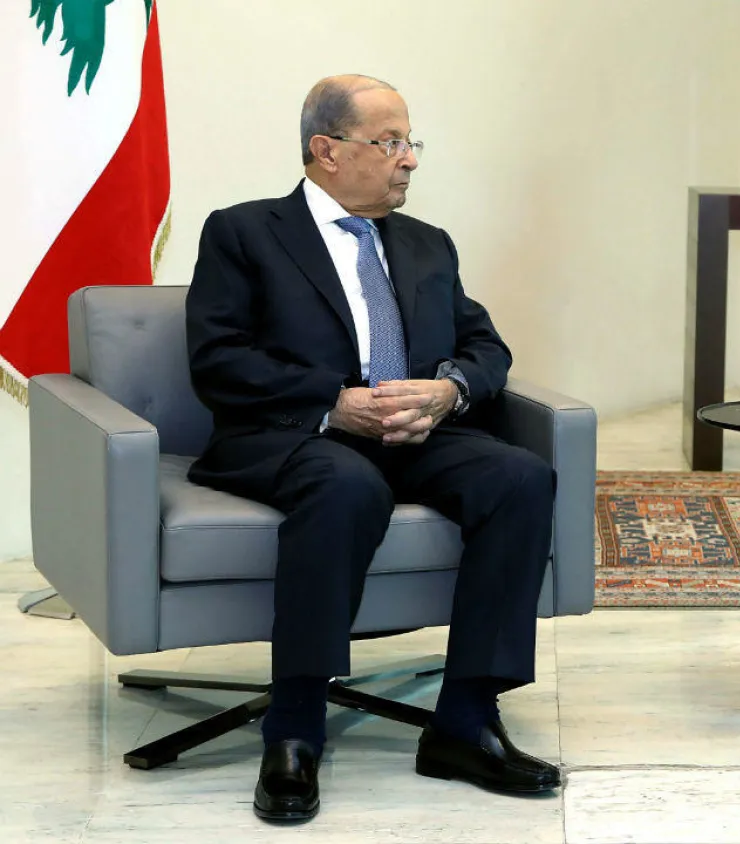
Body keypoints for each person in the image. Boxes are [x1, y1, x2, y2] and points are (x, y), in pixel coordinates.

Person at [185, 74, 559, 823]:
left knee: (520, 477)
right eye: (390, 142)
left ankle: (466, 720)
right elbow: (218, 358)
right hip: (301, 432)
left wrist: (448, 390)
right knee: (346, 486)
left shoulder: (427, 244)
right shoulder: (244, 232)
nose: (409, 159)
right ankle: (295, 728)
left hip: (416, 432)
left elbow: (486, 345)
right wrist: (334, 401)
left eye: (409, 142)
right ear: (327, 151)